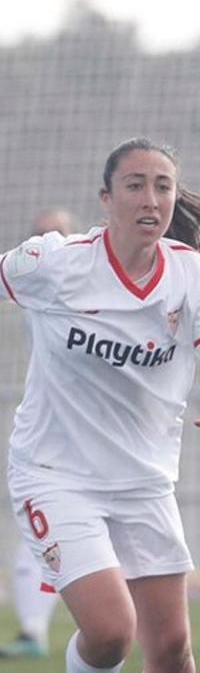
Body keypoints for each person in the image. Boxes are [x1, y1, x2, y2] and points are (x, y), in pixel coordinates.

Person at [1, 137, 200, 673]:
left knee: (172, 651)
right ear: (106, 199)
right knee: (113, 631)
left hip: (143, 483)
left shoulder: (191, 276)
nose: (151, 199)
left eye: (162, 186)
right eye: (135, 185)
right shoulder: (53, 262)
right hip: (55, 475)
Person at [0, 208, 77, 661]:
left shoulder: (89, 276)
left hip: (103, 439)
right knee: (38, 531)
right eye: (40, 234)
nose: (47, 242)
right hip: (53, 435)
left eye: (58, 234)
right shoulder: (37, 282)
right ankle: (34, 628)